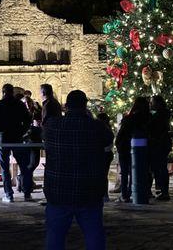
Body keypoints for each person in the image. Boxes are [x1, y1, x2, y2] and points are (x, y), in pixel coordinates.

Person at [44, 90, 113, 250]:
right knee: (94, 233)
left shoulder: (53, 126)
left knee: (55, 234)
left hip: (59, 190)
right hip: (89, 189)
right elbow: (108, 139)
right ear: (85, 105)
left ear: (66, 106)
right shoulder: (96, 127)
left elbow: (44, 135)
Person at [0, 83, 33, 203]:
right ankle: (27, 193)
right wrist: (22, 131)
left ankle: (9, 194)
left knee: (4, 167)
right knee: (24, 165)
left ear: (3, 92)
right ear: (12, 92)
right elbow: (28, 120)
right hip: (17, 137)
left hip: (2, 138)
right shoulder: (19, 105)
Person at [115, 97, 150, 203]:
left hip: (125, 147)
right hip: (139, 148)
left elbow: (122, 134)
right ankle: (132, 192)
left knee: (125, 172)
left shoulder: (130, 118)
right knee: (135, 171)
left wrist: (118, 144)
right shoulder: (147, 118)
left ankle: (125, 194)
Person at [148, 95, 172, 201]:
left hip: (159, 144)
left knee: (160, 168)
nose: (151, 104)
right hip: (162, 143)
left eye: (152, 102)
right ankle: (162, 190)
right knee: (160, 168)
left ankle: (164, 191)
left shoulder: (159, 116)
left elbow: (156, 129)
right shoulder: (162, 114)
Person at [97, 113, 114, 202]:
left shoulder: (104, 130)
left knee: (102, 175)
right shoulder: (107, 129)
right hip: (106, 154)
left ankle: (104, 194)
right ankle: (104, 194)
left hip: (103, 154)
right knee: (103, 175)